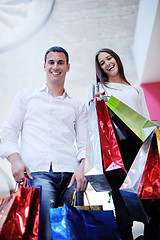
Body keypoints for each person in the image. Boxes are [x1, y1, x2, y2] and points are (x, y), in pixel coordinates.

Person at [0, 46, 88, 240]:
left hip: (71, 175)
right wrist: (15, 160)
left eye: (60, 62)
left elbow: (85, 144)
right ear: (45, 66)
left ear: (68, 67)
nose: (55, 66)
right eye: (51, 62)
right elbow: (8, 133)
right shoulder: (26, 96)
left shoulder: (78, 105)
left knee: (73, 233)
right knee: (44, 233)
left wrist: (82, 168)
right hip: (38, 173)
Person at [86, 48, 151, 240]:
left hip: (139, 152)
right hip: (115, 154)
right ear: (100, 68)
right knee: (122, 211)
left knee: (150, 204)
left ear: (116, 59)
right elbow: (91, 122)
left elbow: (145, 122)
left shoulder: (135, 90)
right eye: (102, 62)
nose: (107, 63)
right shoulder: (98, 89)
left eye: (109, 58)